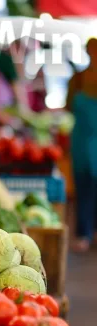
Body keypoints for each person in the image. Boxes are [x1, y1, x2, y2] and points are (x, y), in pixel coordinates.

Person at [65, 38, 97, 252]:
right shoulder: (77, 78)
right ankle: (84, 233)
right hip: (81, 141)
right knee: (83, 187)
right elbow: (68, 106)